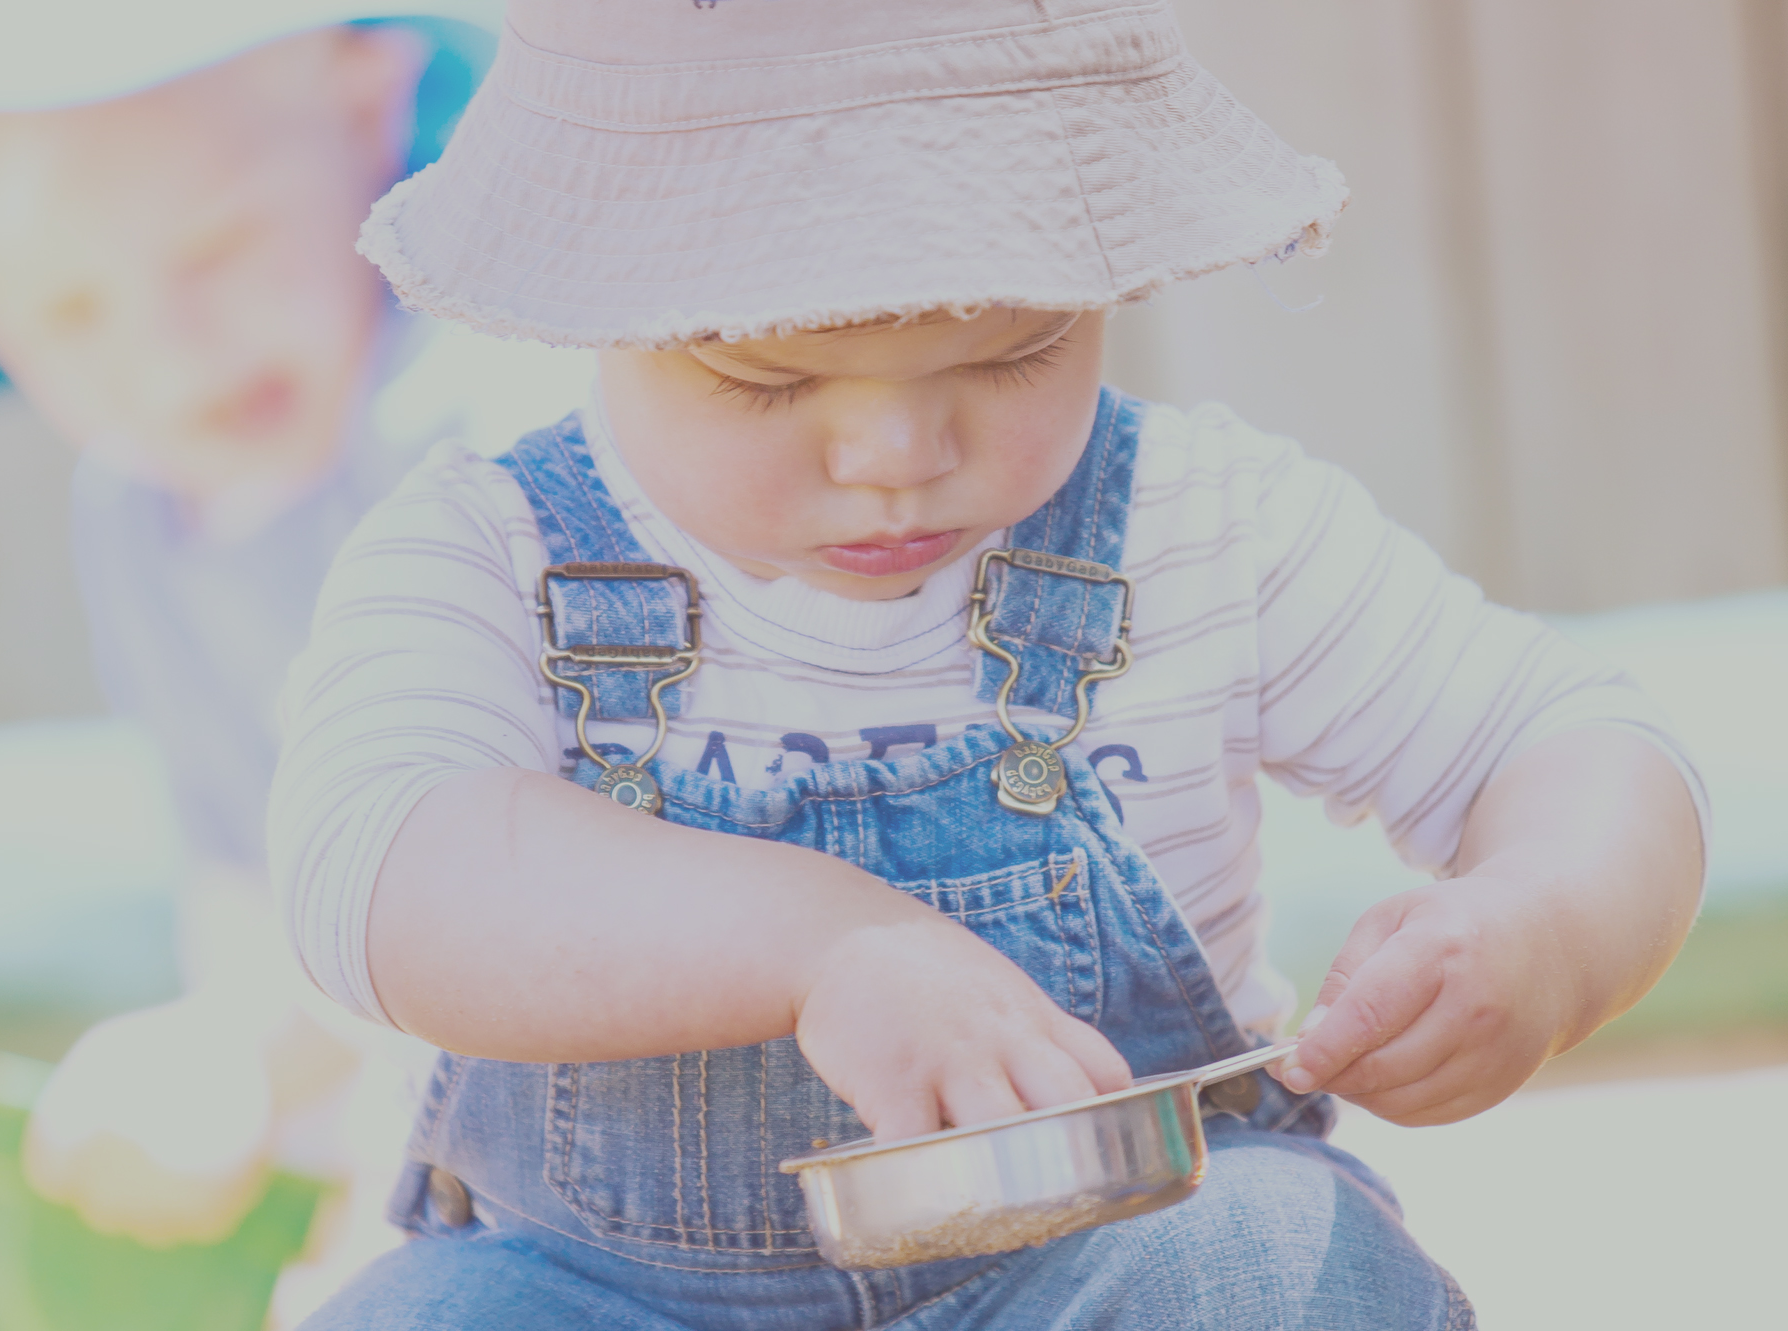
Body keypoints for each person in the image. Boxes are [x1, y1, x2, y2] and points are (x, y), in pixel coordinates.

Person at [270, 1, 1709, 1326]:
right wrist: (824, 947)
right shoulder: (493, 558)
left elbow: (1569, 738)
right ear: (592, 303)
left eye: (1013, 350)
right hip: (601, 1291)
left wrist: (1545, 928)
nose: (895, 458)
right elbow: (380, 867)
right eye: (763, 380)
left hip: (1102, 1259)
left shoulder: (1199, 528)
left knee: (1270, 1268)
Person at [0, 0, 590, 1293]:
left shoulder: (482, 421)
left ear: (367, 114)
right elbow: (244, 881)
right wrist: (242, 1084)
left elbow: (516, 853)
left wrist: (259, 1057)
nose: (167, 357)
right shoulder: (140, 515)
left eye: (216, 248)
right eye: (68, 310)